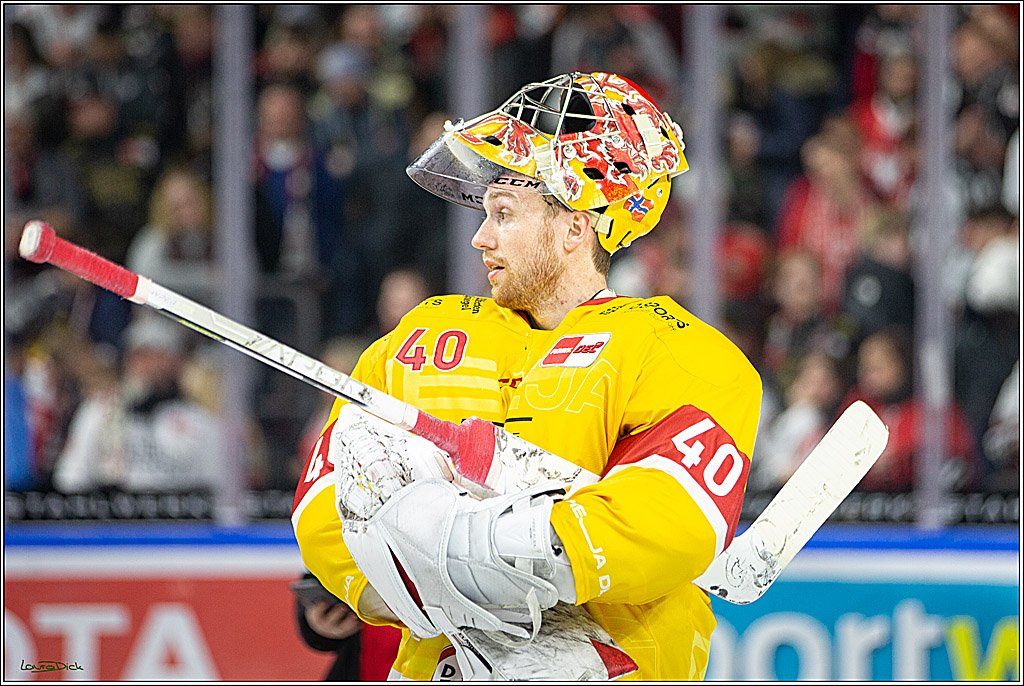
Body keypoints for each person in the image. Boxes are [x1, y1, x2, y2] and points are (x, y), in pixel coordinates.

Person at [292, 72, 762, 680]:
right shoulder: (421, 338)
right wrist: (402, 583)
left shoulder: (680, 352)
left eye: (505, 213)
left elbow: (673, 523)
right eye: (486, 213)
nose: (480, 238)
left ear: (575, 226)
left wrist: (481, 551)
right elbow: (325, 501)